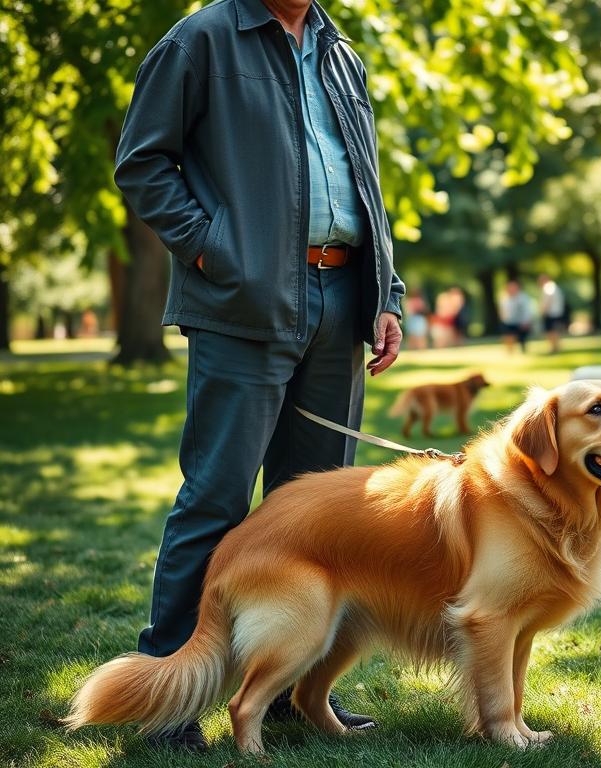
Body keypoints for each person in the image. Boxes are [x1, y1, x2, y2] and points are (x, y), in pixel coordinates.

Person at [113, 0, 404, 750]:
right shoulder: (202, 38)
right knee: (215, 498)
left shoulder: (341, 50)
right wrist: (214, 251)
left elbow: (364, 181)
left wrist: (386, 294)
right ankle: (169, 704)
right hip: (245, 303)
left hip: (343, 301)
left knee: (314, 515)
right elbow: (142, 160)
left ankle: (284, 690)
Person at [499, 280, 534, 353]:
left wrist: (526, 321)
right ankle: (510, 351)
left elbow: (527, 310)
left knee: (522, 338)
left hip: (521, 321)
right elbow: (502, 310)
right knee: (508, 336)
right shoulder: (505, 298)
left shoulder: (523, 297)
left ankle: (523, 351)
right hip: (508, 321)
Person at [538, 274, 565, 353]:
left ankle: (554, 348)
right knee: (554, 331)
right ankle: (555, 347)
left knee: (551, 331)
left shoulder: (548, 287)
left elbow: (547, 300)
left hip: (551, 313)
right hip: (556, 313)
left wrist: (543, 310)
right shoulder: (554, 287)